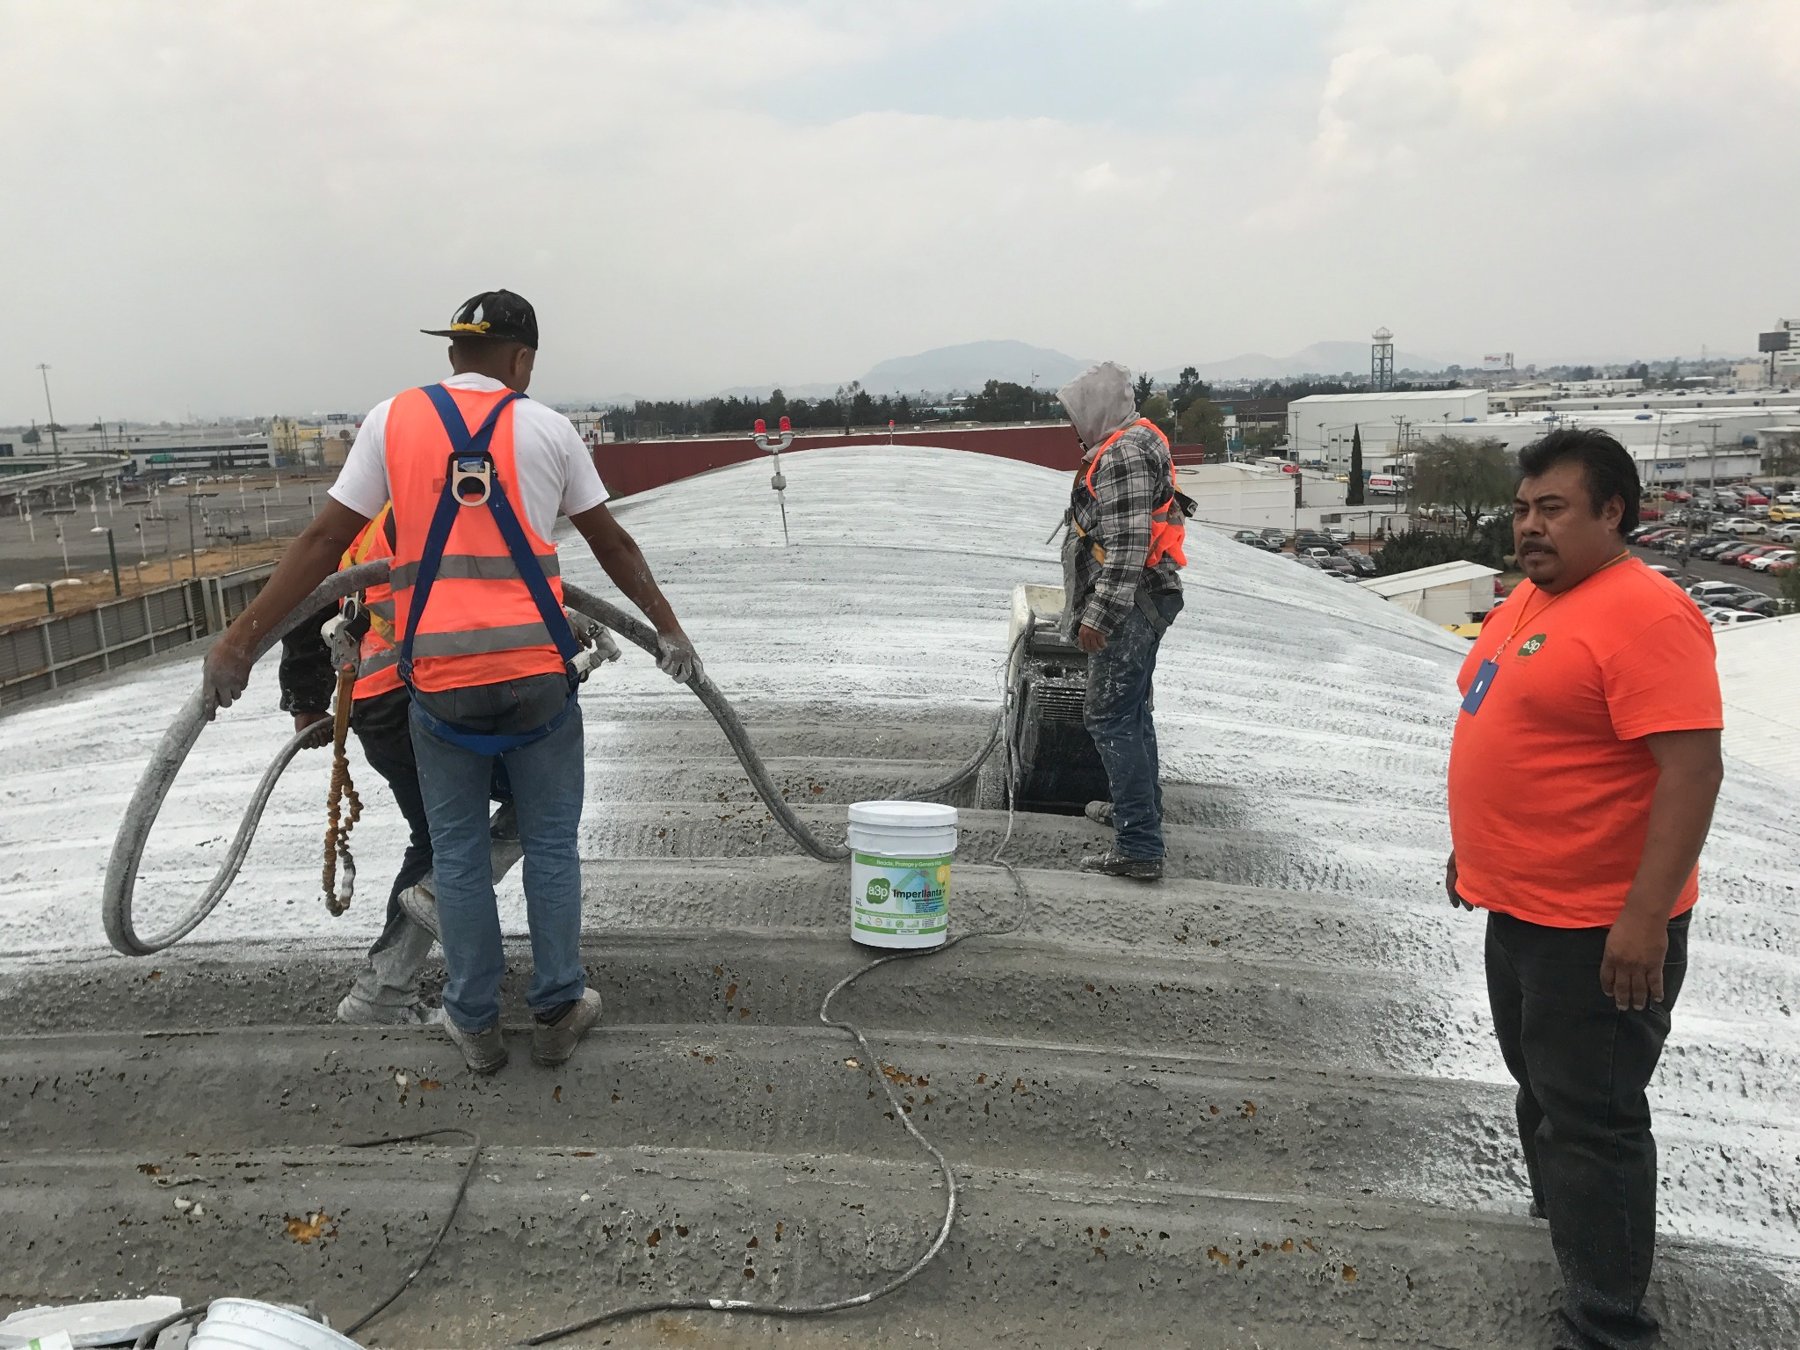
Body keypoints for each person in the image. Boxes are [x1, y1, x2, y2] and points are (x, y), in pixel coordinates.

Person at [204, 289, 700, 1075]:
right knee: (549, 844)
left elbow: (326, 541)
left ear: (452, 355)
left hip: (438, 684)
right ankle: (558, 1008)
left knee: (459, 852)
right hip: (536, 676)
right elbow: (613, 544)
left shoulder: (391, 420)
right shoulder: (550, 429)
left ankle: (473, 1023)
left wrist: (239, 643)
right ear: (524, 361)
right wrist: (668, 631)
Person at [1446, 427, 1723, 1350]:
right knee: (1542, 1094)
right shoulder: (1531, 597)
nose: (1529, 526)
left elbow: (1692, 772)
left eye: (1552, 509)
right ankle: (1570, 1243)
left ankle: (1607, 1322)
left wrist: (1644, 916)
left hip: (1597, 929)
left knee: (1594, 1120)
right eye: (1523, 509)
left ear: (1613, 510)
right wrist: (1472, 853)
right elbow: (1513, 728)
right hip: (1518, 908)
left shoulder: (1646, 614)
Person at [277, 502, 522, 1027]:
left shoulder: (363, 518)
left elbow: (310, 595)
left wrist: (305, 700)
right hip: (417, 695)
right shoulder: (428, 507)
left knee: (437, 838)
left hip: (378, 699)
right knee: (535, 797)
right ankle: (392, 971)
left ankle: (384, 987)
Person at [1055, 362, 1187, 882]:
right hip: (1147, 597)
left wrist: (1099, 616)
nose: (1072, 426)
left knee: (1109, 715)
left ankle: (1138, 844)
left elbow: (1128, 548)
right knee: (1132, 712)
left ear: (1096, 410)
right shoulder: (1133, 438)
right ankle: (1139, 808)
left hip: (1133, 603)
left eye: (1075, 415)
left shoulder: (1123, 455)